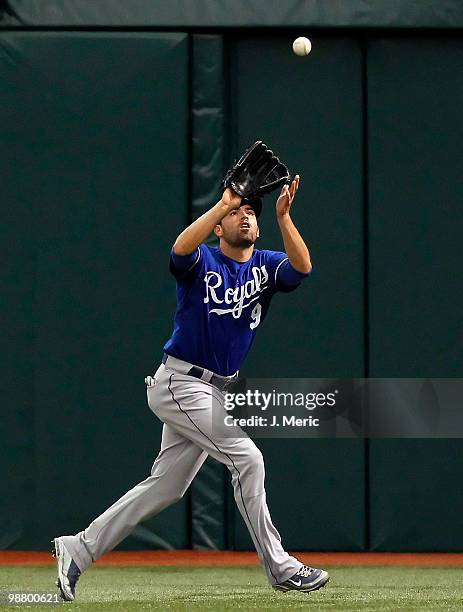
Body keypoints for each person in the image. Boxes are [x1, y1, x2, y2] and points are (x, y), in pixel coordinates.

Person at [52, 175, 329, 600]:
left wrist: (284, 217)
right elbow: (179, 250)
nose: (245, 216)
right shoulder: (203, 261)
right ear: (220, 226)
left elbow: (302, 268)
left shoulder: (266, 265)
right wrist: (221, 205)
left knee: (166, 486)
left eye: (250, 212)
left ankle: (79, 548)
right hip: (182, 381)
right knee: (248, 459)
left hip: (212, 391)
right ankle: (281, 568)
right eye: (237, 212)